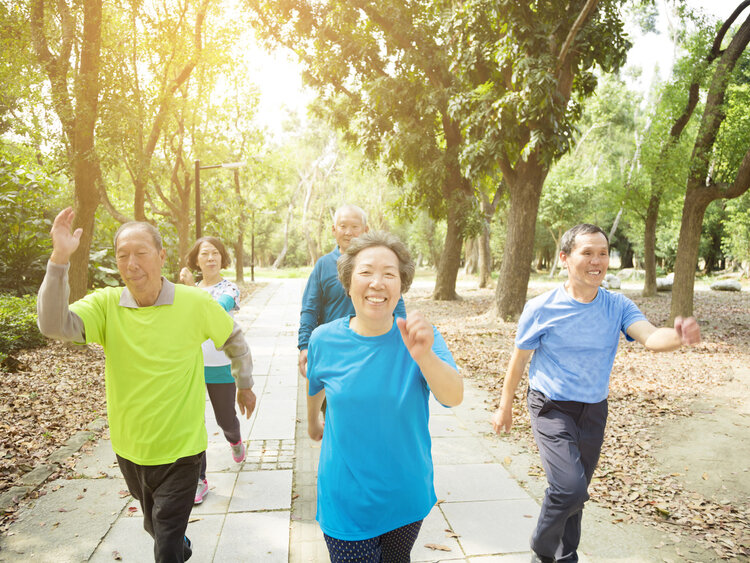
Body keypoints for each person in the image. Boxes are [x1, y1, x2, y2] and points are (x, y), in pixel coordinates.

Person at [37, 208, 256, 563]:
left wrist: (243, 383)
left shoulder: (193, 303)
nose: (131, 262)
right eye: (123, 255)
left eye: (141, 252)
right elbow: (52, 324)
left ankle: (174, 546)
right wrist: (60, 258)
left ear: (162, 256)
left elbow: (233, 337)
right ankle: (178, 544)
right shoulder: (107, 305)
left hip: (183, 450)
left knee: (165, 538)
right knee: (156, 526)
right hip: (131, 449)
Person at [491, 223, 701, 563]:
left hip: (592, 409)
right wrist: (505, 407)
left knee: (576, 494)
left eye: (602, 253)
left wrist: (678, 337)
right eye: (587, 252)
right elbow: (518, 360)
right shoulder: (542, 308)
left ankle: (565, 556)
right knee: (569, 487)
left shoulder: (617, 305)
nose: (597, 261)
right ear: (564, 258)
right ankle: (543, 552)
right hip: (550, 406)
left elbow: (649, 336)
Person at [306, 231, 463, 563]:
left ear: (401, 285)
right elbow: (316, 384)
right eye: (366, 272)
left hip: (405, 497)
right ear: (348, 282)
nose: (377, 282)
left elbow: (453, 396)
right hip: (345, 500)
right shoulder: (323, 340)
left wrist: (424, 356)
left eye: (389, 274)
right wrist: (313, 421)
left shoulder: (421, 337)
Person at [297, 204, 406, 378]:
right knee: (331, 403)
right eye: (343, 226)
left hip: (376, 349)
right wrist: (304, 346)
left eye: (355, 227)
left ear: (366, 229)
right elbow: (310, 308)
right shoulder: (323, 265)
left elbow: (397, 306)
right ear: (334, 229)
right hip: (333, 350)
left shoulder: (381, 263)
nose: (348, 232)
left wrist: (404, 341)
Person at [179, 236, 246, 505]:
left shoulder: (230, 289)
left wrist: (188, 290)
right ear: (196, 260)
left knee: (225, 420)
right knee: (194, 424)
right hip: (192, 366)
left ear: (222, 258)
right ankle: (199, 480)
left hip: (221, 366)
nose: (210, 258)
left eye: (215, 253)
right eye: (205, 254)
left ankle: (235, 440)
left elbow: (214, 311)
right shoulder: (187, 291)